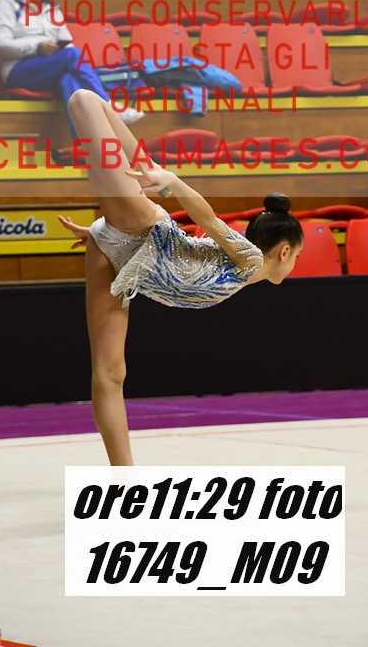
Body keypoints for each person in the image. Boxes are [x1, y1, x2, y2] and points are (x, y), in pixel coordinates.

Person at [58, 88, 304, 466]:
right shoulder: (249, 259)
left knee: (109, 373)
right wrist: (171, 181)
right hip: (145, 231)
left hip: (114, 253)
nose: (296, 263)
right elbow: (208, 219)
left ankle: (124, 478)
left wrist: (99, 232)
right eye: (298, 256)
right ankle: (135, 147)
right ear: (284, 251)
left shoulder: (239, 267)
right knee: (82, 101)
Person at [0, 0, 143, 143]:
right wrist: (38, 47)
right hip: (17, 71)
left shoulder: (52, 10)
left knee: (70, 82)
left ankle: (82, 146)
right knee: (72, 55)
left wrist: (59, 50)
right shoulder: (7, 4)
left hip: (50, 70)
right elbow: (0, 44)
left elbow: (67, 45)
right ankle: (109, 106)